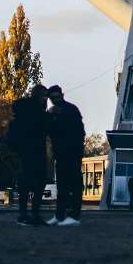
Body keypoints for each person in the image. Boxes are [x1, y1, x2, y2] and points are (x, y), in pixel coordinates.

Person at [6, 83, 49, 226]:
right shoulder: (38, 113)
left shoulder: (22, 110)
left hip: (23, 153)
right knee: (39, 183)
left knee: (26, 184)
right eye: (44, 97)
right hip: (34, 152)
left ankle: (23, 213)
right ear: (39, 96)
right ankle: (33, 213)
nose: (45, 100)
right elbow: (43, 129)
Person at [46, 84, 85, 227]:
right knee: (61, 186)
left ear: (62, 95)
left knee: (74, 184)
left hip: (72, 153)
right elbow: (49, 132)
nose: (55, 100)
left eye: (57, 97)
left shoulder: (71, 110)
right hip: (61, 154)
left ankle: (74, 215)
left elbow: (79, 132)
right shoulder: (53, 113)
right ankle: (60, 215)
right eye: (53, 98)